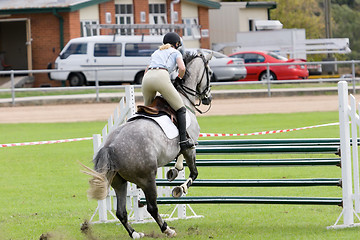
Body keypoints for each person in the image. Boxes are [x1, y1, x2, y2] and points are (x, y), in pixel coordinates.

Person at [141, 32, 194, 151]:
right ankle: (183, 141)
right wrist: (179, 77)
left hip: (147, 78)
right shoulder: (176, 52)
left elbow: (146, 69)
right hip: (161, 76)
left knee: (147, 109)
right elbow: (182, 68)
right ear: (176, 44)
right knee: (180, 109)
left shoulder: (156, 52)